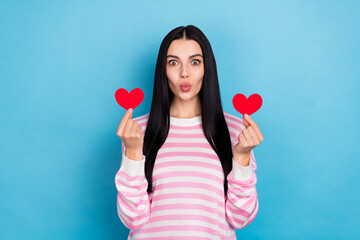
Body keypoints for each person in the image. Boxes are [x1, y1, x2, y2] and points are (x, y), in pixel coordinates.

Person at [115, 25, 264, 239]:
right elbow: (133, 218)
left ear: (207, 68)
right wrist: (132, 152)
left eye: (195, 62)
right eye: (173, 62)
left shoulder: (236, 131)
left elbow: (240, 218)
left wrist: (241, 157)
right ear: (163, 71)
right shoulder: (137, 132)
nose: (184, 73)